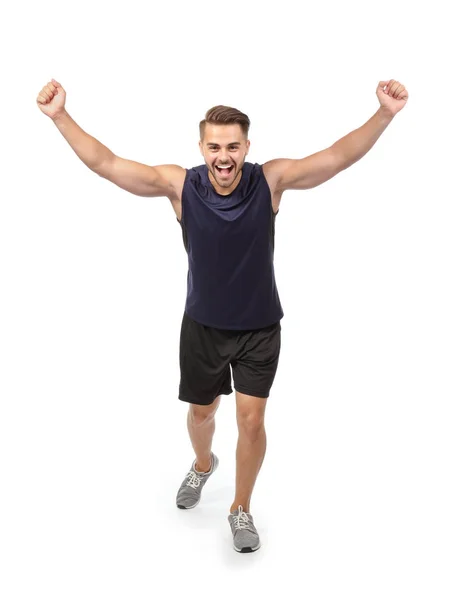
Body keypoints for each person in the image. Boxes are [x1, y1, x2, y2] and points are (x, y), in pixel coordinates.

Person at [36, 78, 409, 553]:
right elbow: (107, 164)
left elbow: (336, 157)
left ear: (247, 146)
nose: (224, 155)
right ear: (202, 147)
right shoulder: (179, 185)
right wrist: (61, 116)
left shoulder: (269, 180)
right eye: (215, 146)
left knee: (251, 421)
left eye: (233, 146)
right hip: (203, 327)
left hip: (259, 327)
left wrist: (384, 114)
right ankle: (202, 463)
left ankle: (240, 508)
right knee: (202, 413)